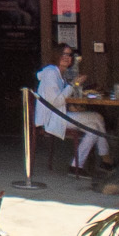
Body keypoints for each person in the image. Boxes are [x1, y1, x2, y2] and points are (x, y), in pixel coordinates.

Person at [34, 43, 111, 174]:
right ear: (56, 55)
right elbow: (56, 102)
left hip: (59, 114)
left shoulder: (59, 74)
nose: (67, 57)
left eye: (70, 55)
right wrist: (73, 84)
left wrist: (72, 103)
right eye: (64, 54)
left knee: (94, 128)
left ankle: (78, 165)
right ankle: (106, 159)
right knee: (97, 118)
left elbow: (60, 99)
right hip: (52, 118)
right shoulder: (51, 73)